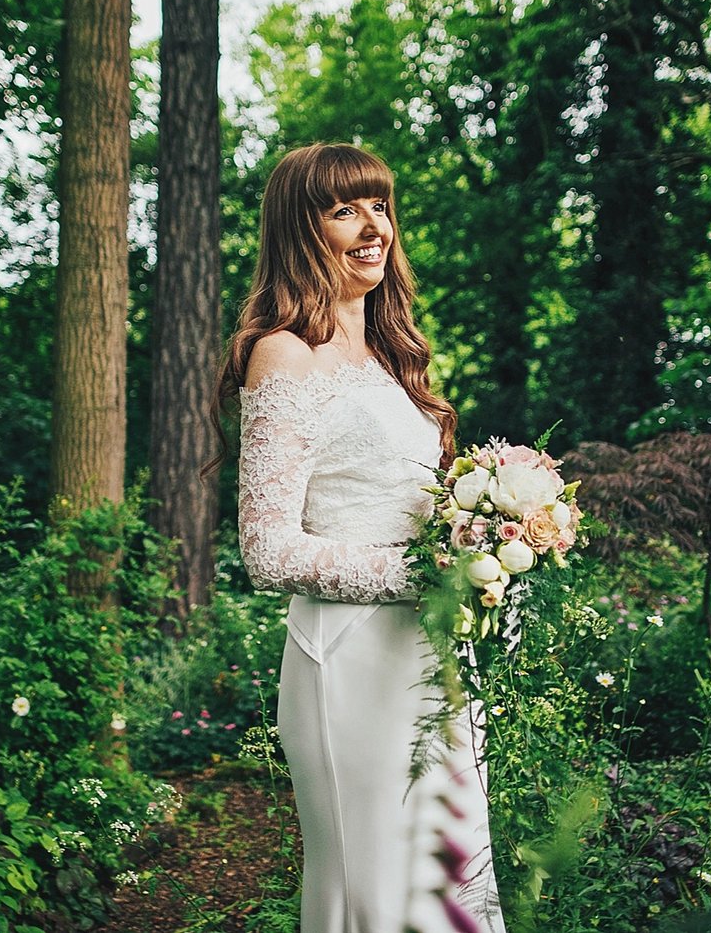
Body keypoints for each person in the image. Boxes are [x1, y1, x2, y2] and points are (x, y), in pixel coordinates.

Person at [221, 143, 500, 932]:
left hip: (430, 653)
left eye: (379, 205)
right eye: (345, 209)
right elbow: (268, 548)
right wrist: (425, 572)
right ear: (300, 230)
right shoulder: (284, 355)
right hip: (348, 658)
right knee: (373, 889)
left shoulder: (389, 360)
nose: (373, 226)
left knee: (447, 883)